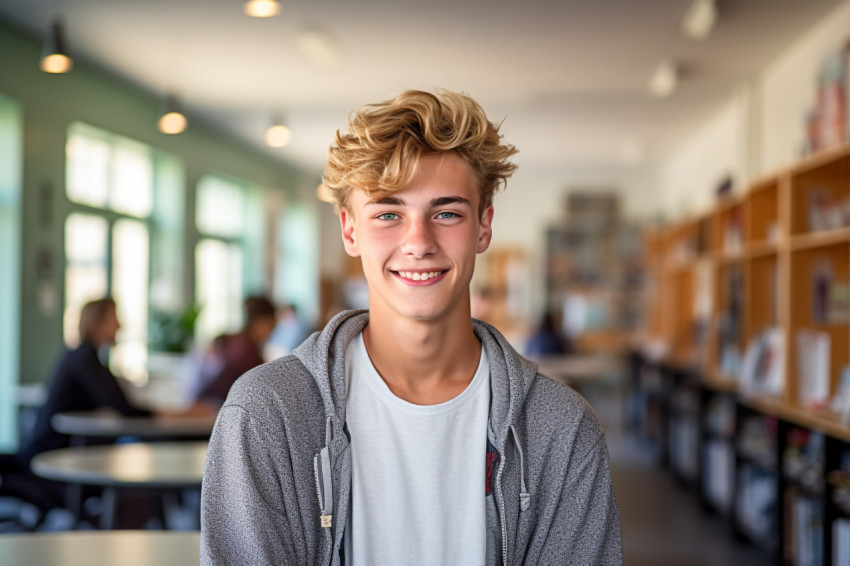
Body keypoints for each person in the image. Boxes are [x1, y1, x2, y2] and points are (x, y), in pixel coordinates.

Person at [201, 90, 622, 564]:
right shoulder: (267, 416)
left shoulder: (561, 429)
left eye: (446, 213)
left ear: (483, 227)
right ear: (349, 230)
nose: (418, 242)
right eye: (387, 214)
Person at [195, 295, 276, 404]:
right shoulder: (247, 352)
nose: (273, 332)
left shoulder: (231, 340)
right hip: (216, 406)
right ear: (262, 322)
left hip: (209, 401)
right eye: (272, 325)